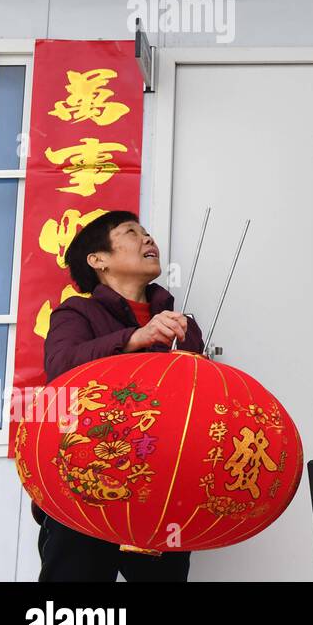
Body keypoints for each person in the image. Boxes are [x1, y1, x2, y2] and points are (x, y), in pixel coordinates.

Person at [38, 210, 203, 582]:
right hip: (85, 483)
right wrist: (134, 339)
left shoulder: (180, 326)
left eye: (147, 233)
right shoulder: (76, 312)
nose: (148, 239)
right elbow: (61, 368)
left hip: (159, 486)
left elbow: (194, 405)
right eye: (131, 233)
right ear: (98, 260)